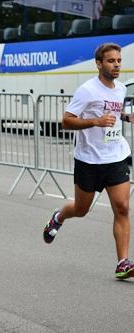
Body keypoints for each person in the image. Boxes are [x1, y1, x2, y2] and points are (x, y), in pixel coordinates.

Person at [43, 43, 134, 279]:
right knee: (81, 209)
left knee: (122, 207)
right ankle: (59, 217)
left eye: (118, 61)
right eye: (111, 61)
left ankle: (122, 263)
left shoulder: (121, 89)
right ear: (99, 64)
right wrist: (94, 122)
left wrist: (126, 116)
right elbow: (67, 121)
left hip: (115, 156)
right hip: (88, 160)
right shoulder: (87, 90)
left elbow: (113, 113)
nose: (116, 65)